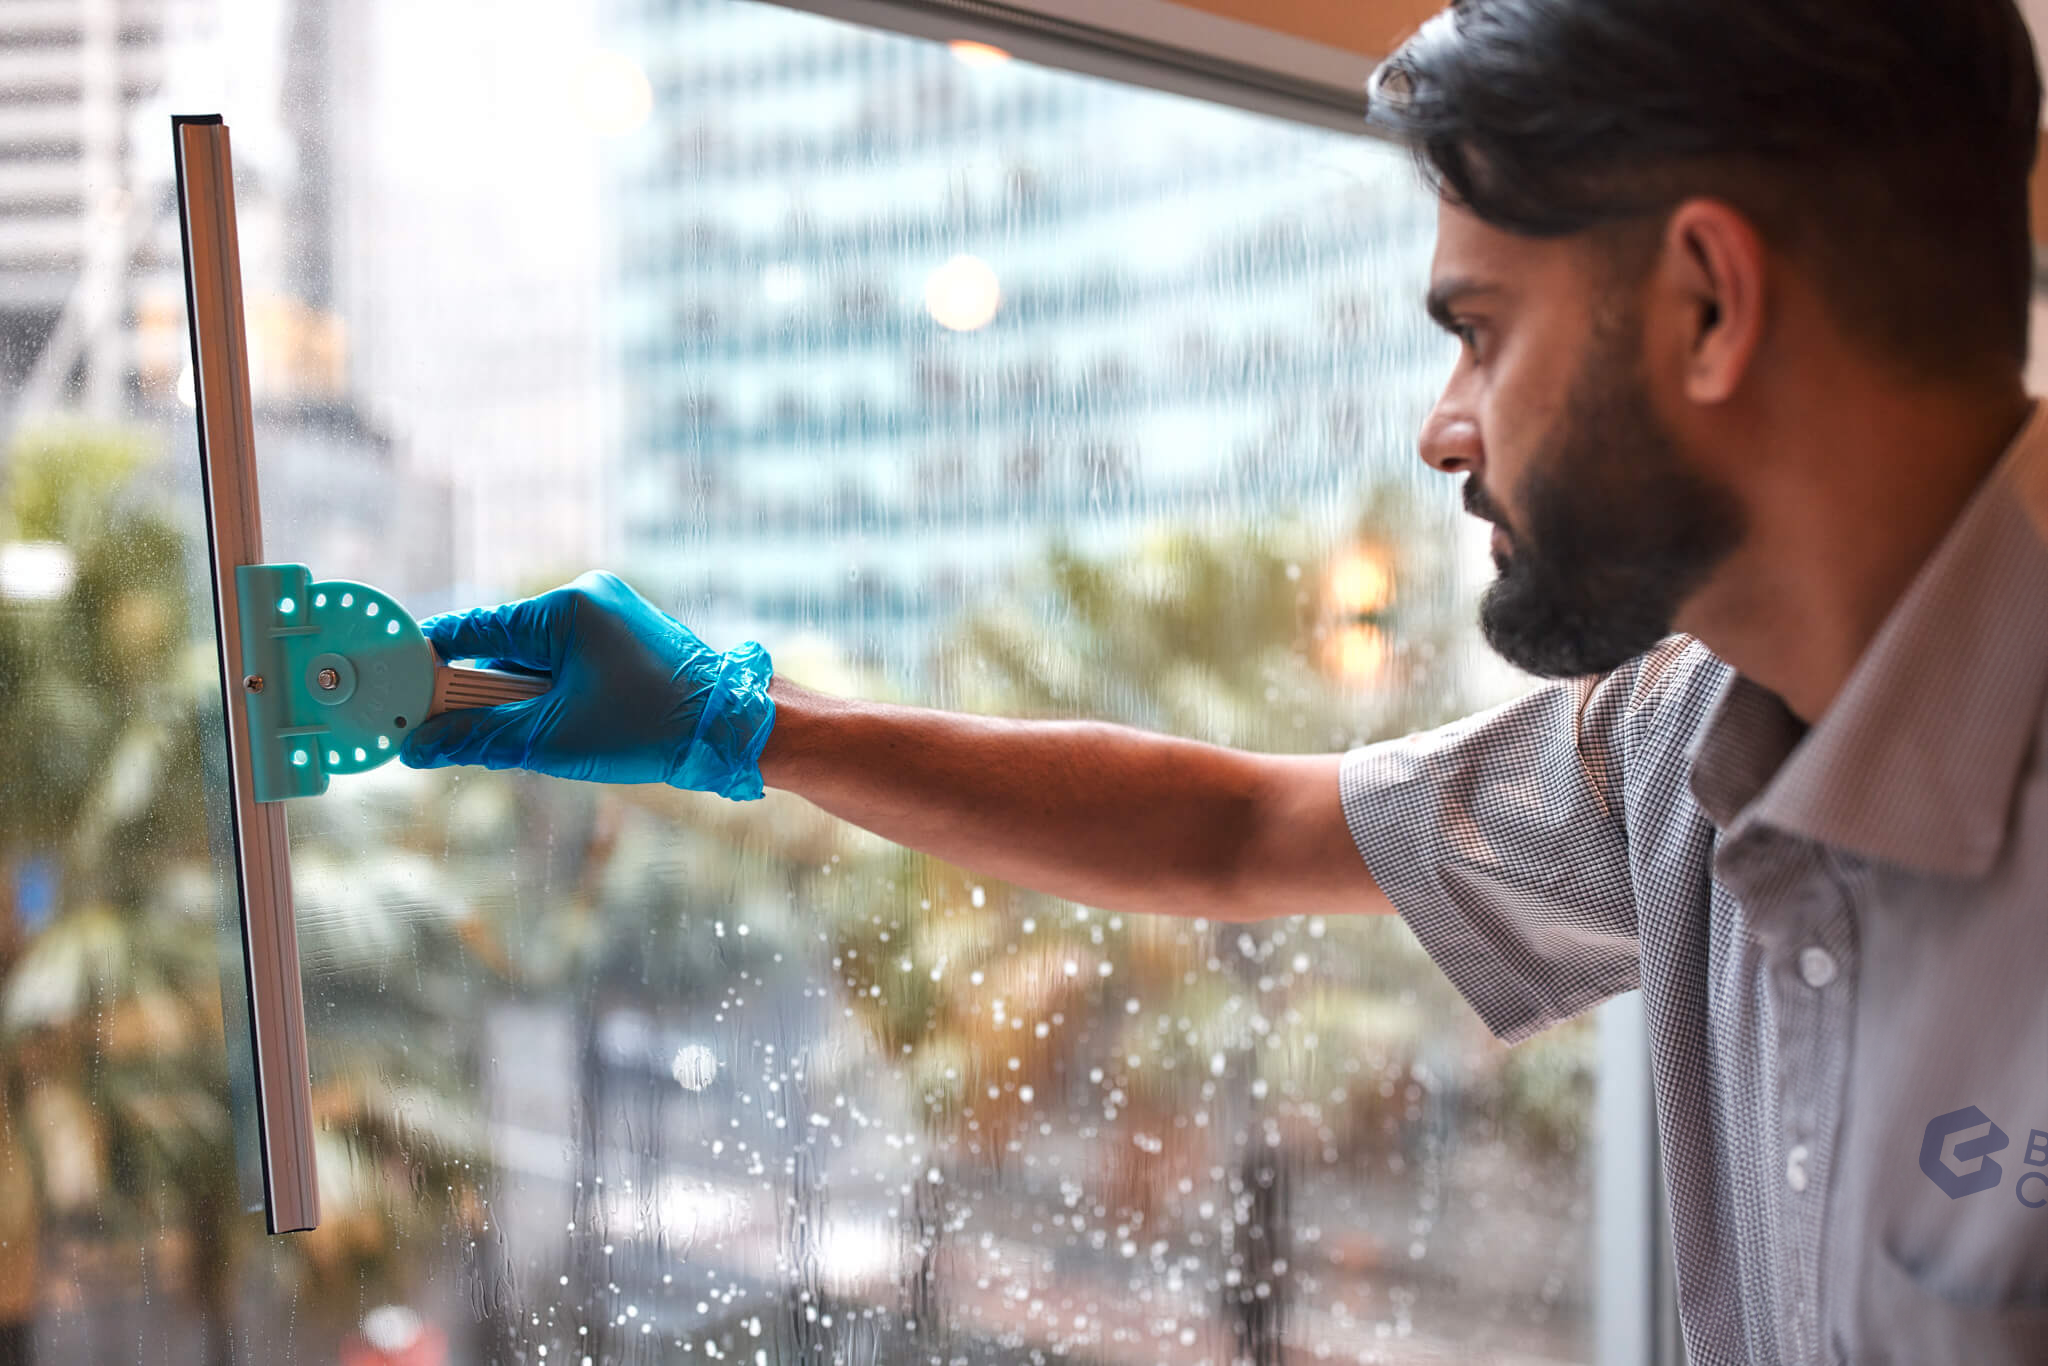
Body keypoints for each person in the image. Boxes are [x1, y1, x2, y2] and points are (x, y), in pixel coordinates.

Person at [401, 1, 2048, 1360]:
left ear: (1706, 303)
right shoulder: (1683, 743)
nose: (1444, 427)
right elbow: (1243, 834)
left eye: (1480, 328)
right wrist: (744, 723)